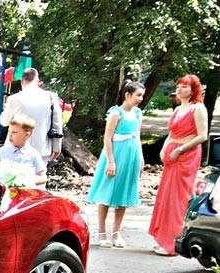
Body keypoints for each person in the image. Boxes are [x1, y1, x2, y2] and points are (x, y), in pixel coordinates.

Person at [149, 74, 209, 256]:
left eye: (185, 86)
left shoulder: (198, 108)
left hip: (187, 155)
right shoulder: (178, 109)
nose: (180, 89)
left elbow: (202, 136)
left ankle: (172, 243)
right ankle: (163, 238)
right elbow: (171, 134)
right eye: (179, 86)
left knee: (178, 198)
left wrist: (181, 149)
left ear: (193, 90)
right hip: (172, 154)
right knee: (167, 196)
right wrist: (164, 149)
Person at [85, 80, 145, 249]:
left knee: (124, 192)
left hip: (131, 155)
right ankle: (102, 232)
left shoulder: (138, 113)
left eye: (142, 95)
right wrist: (111, 161)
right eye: (138, 95)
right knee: (107, 191)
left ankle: (117, 232)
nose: (141, 98)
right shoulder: (116, 113)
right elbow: (107, 138)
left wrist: (140, 158)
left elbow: (137, 136)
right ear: (127, 95)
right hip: (116, 155)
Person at [0, 68, 63, 164]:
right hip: (42, 148)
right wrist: (57, 147)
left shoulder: (13, 99)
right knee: (39, 173)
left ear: (22, 81)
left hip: (16, 148)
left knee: (15, 173)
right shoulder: (50, 97)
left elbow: (4, 122)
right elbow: (57, 123)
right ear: (37, 81)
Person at [0, 114, 48, 186]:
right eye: (9, 131)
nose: (10, 135)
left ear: (26, 135)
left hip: (24, 190)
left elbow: (43, 177)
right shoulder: (3, 151)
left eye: (14, 132)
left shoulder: (33, 154)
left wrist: (28, 181)